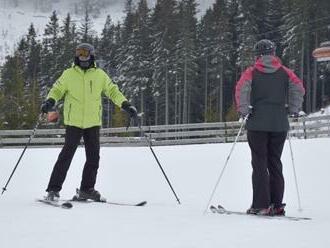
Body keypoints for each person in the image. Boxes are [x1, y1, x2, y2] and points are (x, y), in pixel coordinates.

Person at [41, 43, 138, 202]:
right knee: (66, 156)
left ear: (91, 55)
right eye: (79, 53)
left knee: (93, 158)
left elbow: (113, 91)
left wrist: (126, 105)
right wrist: (50, 101)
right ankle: (53, 190)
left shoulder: (99, 75)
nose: (81, 56)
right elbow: (57, 89)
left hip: (93, 122)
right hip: (74, 122)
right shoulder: (69, 74)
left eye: (85, 53)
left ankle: (87, 189)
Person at [235, 39, 305, 216]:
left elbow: (241, 89)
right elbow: (298, 88)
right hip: (279, 123)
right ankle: (277, 204)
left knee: (259, 163)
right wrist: (294, 109)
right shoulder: (286, 72)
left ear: (258, 54)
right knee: (275, 162)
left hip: (257, 123)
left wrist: (244, 110)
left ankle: (260, 205)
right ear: (273, 52)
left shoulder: (251, 72)